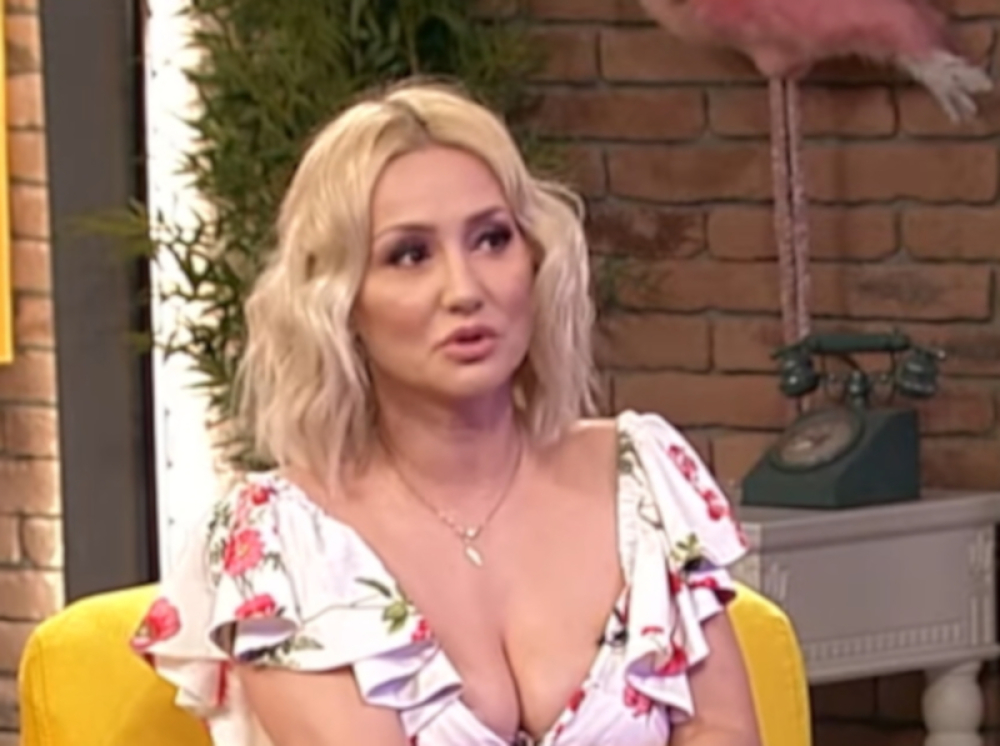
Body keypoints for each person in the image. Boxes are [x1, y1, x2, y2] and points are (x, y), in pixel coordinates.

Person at [130, 78, 760, 746]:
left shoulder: (640, 479)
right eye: (410, 255)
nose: (465, 289)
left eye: (491, 239)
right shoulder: (283, 542)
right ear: (339, 302)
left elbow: (723, 733)